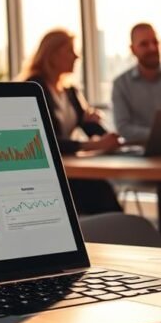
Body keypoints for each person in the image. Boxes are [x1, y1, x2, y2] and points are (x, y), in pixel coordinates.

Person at [20, 29, 123, 214]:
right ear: (52, 54)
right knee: (99, 192)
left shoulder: (70, 92)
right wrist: (95, 145)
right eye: (70, 50)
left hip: (71, 169)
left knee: (101, 190)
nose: (76, 56)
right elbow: (46, 141)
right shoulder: (33, 88)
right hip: (47, 173)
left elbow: (91, 127)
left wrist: (110, 138)